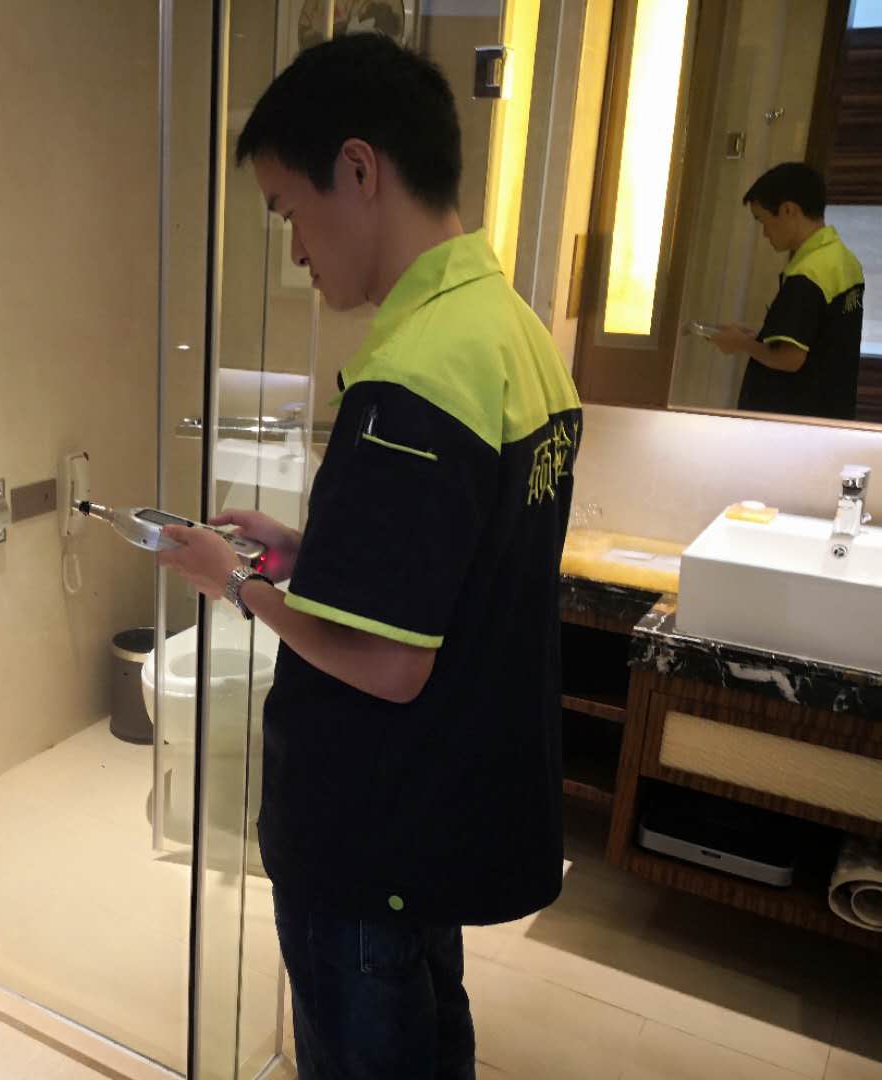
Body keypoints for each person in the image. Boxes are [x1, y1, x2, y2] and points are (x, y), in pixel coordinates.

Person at [157, 34, 581, 1080]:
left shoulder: (413, 377)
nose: (296, 250)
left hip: (366, 834)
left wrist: (234, 580)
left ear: (358, 169)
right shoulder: (511, 332)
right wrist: (309, 553)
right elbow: (462, 567)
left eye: (289, 211)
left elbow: (391, 664)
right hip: (440, 813)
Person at [711, 162, 865, 420]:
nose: (764, 233)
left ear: (788, 210)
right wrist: (759, 337)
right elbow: (819, 337)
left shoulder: (808, 273)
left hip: (794, 419)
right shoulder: (842, 259)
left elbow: (790, 359)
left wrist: (741, 343)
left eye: (763, 220)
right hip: (829, 411)